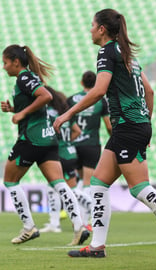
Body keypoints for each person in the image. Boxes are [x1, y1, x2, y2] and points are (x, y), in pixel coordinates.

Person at [53, 9, 156, 258]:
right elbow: (150, 92)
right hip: (133, 126)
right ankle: (97, 246)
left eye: (92, 25)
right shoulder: (128, 55)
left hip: (128, 127)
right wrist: (146, 123)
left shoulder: (107, 51)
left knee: (139, 188)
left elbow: (99, 90)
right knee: (98, 184)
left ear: (102, 29)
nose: (90, 29)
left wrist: (68, 113)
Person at [1, 44, 90, 245]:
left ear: (16, 62)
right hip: (48, 139)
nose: (4, 67)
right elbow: (37, 102)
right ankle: (78, 226)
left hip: (31, 139)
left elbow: (46, 97)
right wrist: (14, 108)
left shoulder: (24, 78)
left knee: (10, 180)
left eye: (5, 62)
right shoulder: (30, 77)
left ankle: (28, 227)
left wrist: (21, 113)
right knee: (60, 183)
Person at [40, 86, 93, 233]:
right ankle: (54, 223)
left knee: (67, 190)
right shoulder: (66, 114)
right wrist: (68, 141)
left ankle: (93, 208)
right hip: (70, 152)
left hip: (59, 154)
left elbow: (47, 133)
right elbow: (77, 131)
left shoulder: (49, 114)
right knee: (53, 188)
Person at [67, 70, 112, 225]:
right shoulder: (101, 101)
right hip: (91, 145)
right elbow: (108, 125)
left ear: (81, 82)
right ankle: (86, 220)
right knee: (88, 182)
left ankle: (78, 216)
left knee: (78, 180)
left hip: (74, 144)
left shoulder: (72, 99)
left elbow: (67, 121)